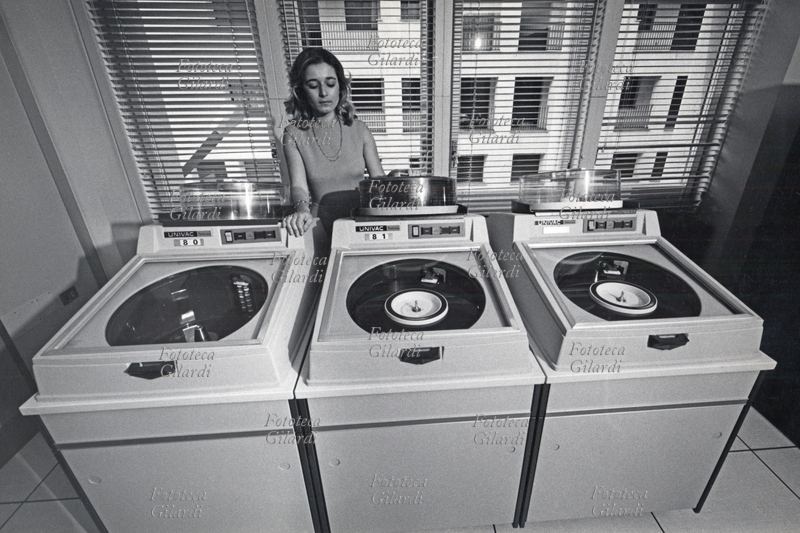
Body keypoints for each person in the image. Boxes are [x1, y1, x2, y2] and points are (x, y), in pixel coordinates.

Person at [281, 48, 384, 238]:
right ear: (301, 91)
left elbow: (378, 180)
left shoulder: (360, 130)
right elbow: (299, 187)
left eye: (330, 83)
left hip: (362, 226)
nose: (323, 93)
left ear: (341, 87)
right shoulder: (293, 134)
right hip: (319, 227)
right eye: (313, 85)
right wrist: (301, 210)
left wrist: (396, 183)